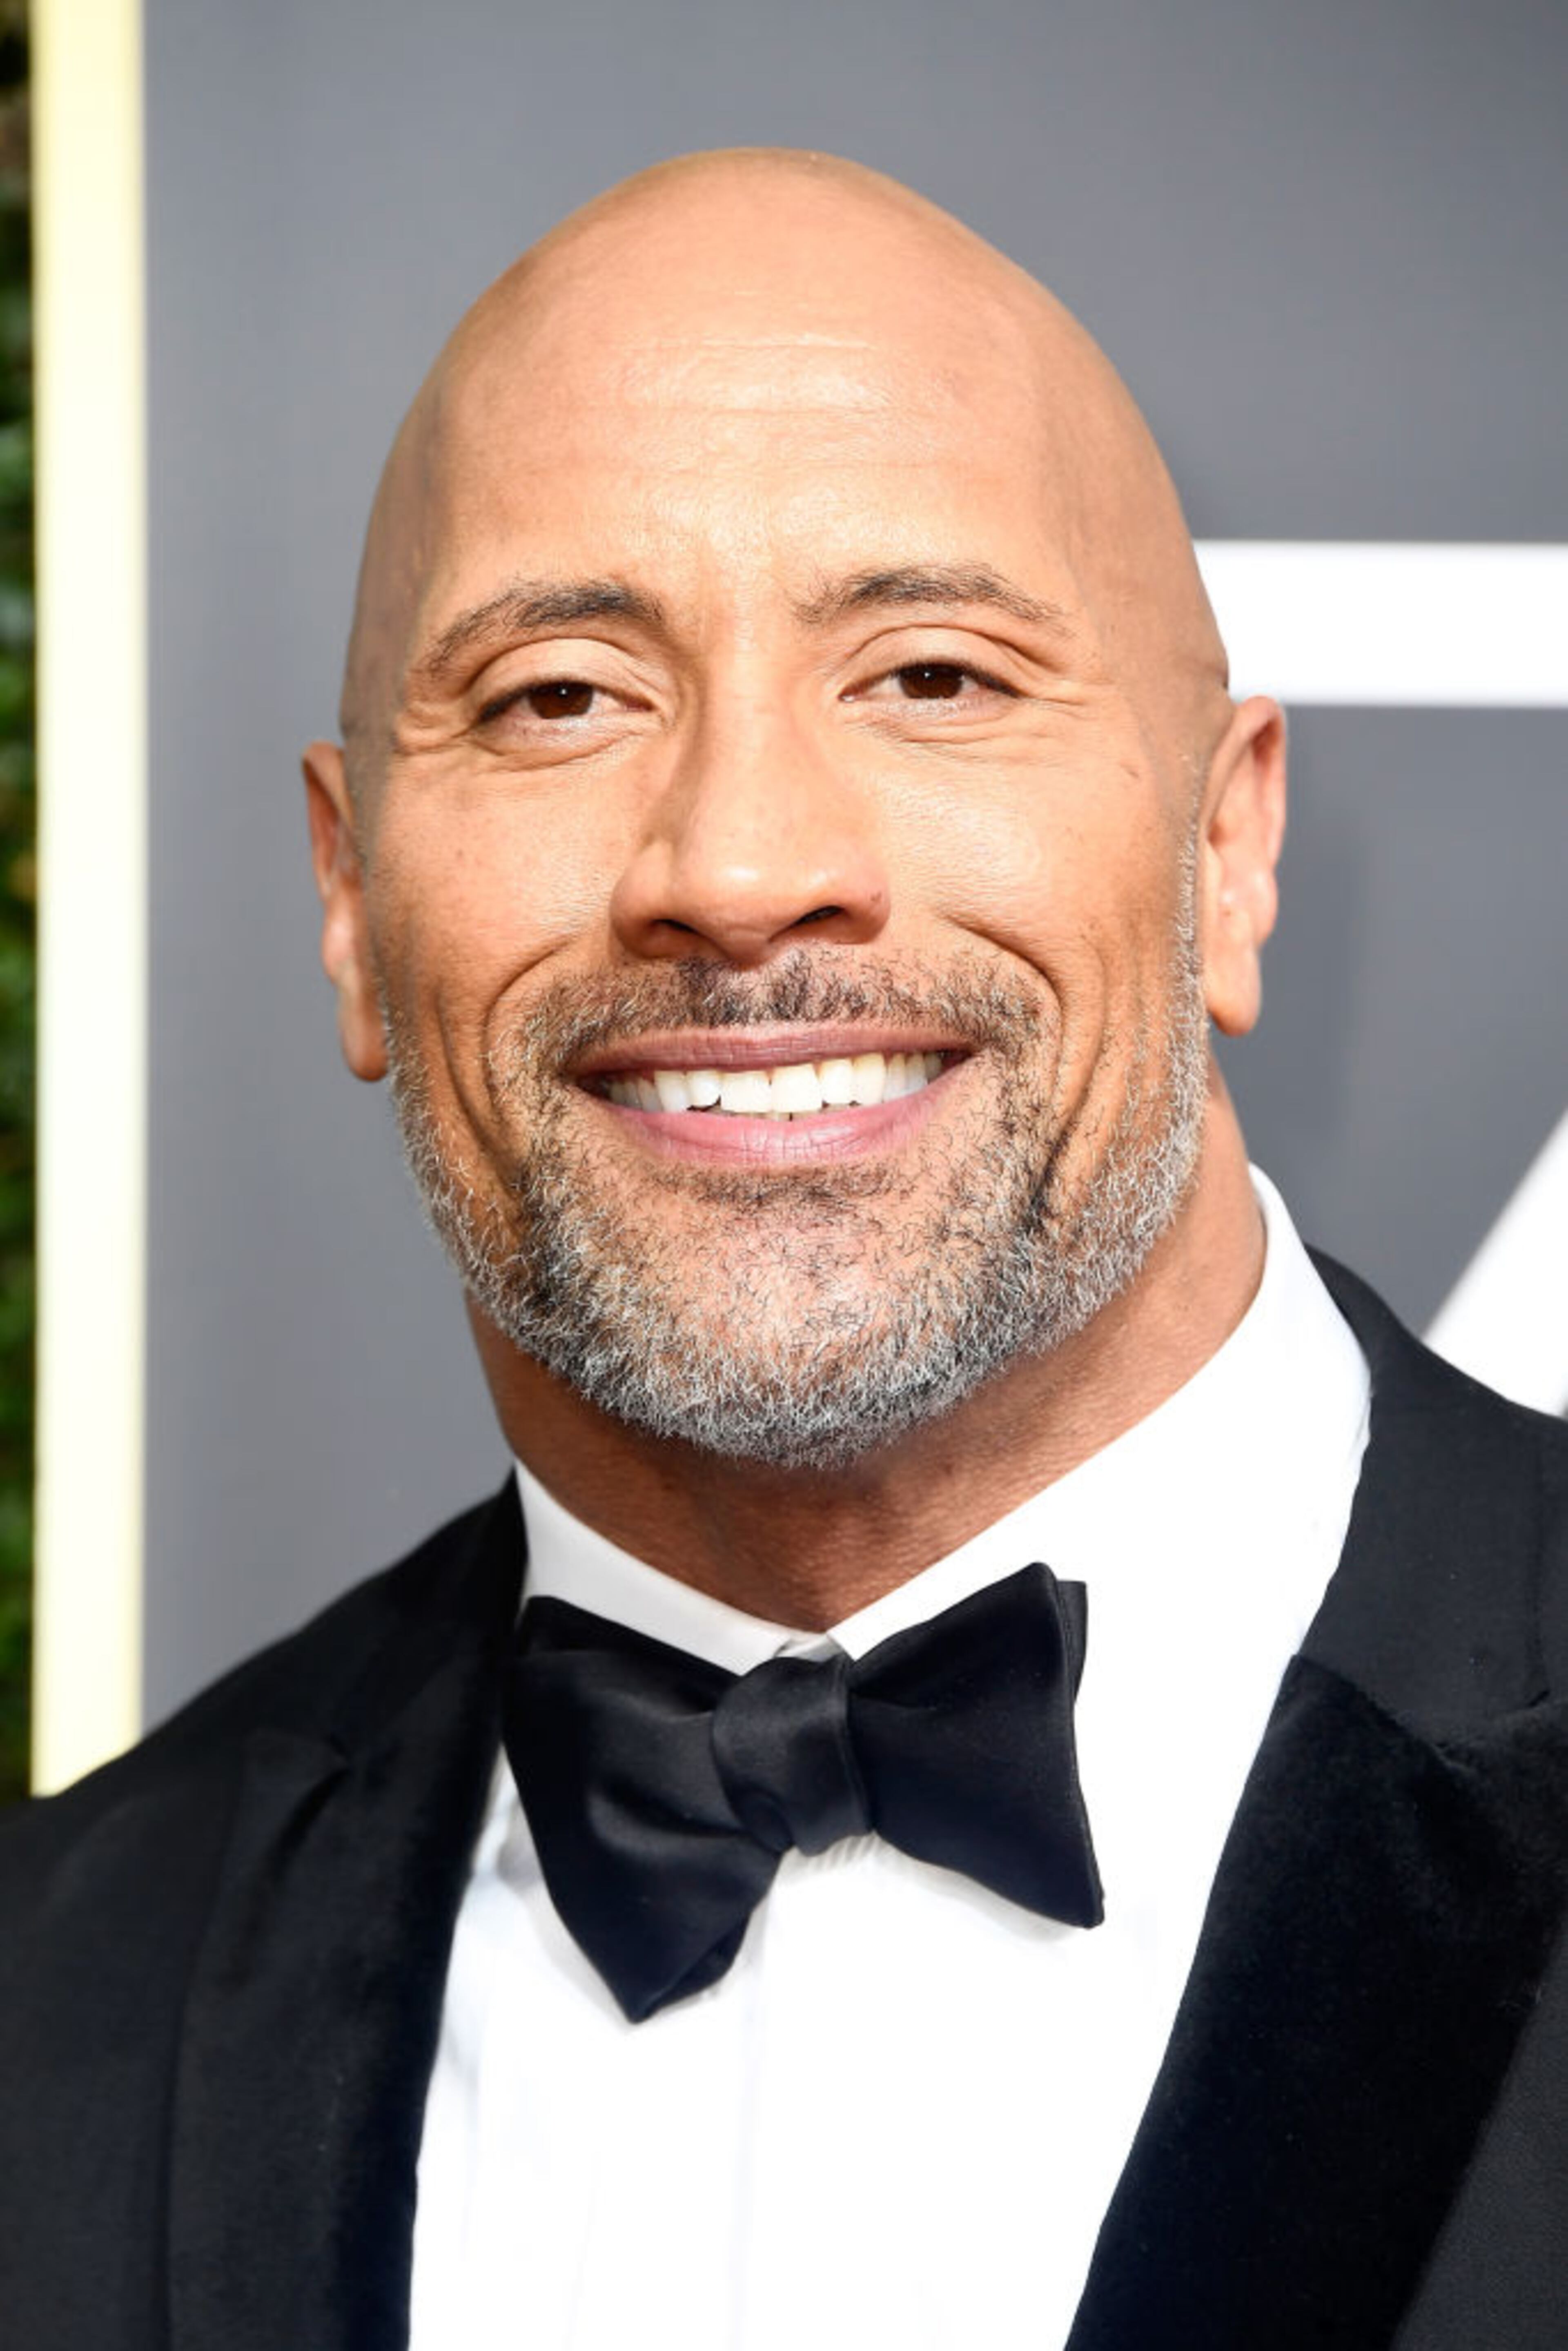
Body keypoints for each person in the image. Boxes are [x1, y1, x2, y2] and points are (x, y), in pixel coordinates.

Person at [3, 147, 1567, 2351]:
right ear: (352, 903)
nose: (740, 865)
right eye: (558, 695)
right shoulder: (55, 2010)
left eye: (929, 675)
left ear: (1225, 837)